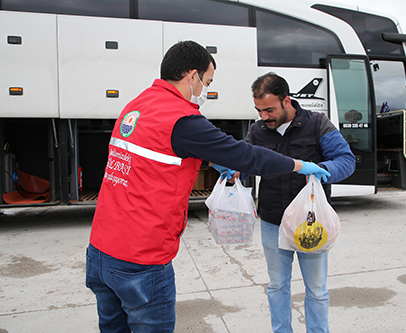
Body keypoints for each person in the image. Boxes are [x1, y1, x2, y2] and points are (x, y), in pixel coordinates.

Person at [85, 41, 330, 333]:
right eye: (207, 82)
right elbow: (248, 156)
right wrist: (300, 165)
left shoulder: (135, 107)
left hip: (100, 251)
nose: (205, 91)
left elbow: (157, 156)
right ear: (192, 77)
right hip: (140, 260)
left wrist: (211, 160)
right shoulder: (182, 119)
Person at [244, 72, 356, 333]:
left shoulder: (317, 123)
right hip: (273, 220)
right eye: (259, 110)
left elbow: (346, 160)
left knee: (316, 289)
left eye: (269, 110)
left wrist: (322, 168)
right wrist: (235, 170)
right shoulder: (257, 130)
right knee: (277, 286)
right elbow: (246, 162)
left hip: (311, 222)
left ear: (287, 101)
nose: (264, 117)